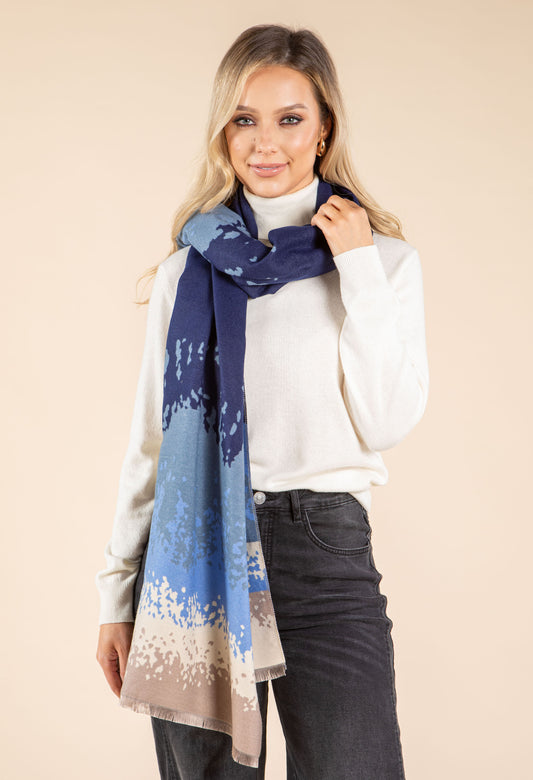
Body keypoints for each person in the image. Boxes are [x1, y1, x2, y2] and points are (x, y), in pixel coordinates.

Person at [96, 23, 429, 780]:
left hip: (323, 547)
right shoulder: (187, 270)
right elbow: (151, 441)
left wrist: (356, 268)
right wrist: (117, 593)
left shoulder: (381, 263)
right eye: (245, 118)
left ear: (323, 130)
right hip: (194, 550)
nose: (265, 142)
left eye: (290, 118)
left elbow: (385, 420)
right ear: (224, 131)